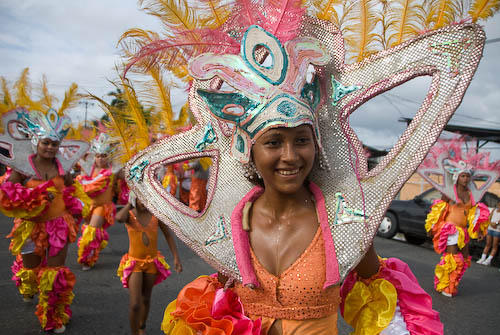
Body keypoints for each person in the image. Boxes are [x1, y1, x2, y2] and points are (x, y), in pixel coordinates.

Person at [121, 1, 498, 333]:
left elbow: (384, 312)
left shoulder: (346, 224)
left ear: (317, 144)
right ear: (249, 150)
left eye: (301, 139)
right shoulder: (232, 224)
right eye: (273, 142)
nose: (290, 155)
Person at [0, 108, 90, 333]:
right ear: (36, 142)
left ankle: (52, 316)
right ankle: (29, 285)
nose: (50, 147)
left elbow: (72, 189)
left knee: (55, 271)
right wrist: (36, 196)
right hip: (30, 228)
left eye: (54, 144)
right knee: (31, 270)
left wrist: (79, 207)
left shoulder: (63, 168)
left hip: (59, 225)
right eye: (46, 143)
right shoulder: (23, 169)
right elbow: (7, 195)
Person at [419, 137, 499, 297]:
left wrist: (479, 230)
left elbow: (475, 214)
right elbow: (438, 210)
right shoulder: (449, 193)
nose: (466, 179)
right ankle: (445, 286)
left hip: (463, 232)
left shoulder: (472, 194)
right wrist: (432, 228)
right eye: (463, 176)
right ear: (456, 177)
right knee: (453, 258)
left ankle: (448, 283)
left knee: (464, 259)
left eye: (468, 176)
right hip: (450, 230)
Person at [116, 192, 182, 335]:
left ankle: (141, 326)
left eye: (146, 199)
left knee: (146, 298)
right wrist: (129, 203)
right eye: (140, 199)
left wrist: (176, 258)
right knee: (135, 304)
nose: (143, 203)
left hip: (152, 262)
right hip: (135, 264)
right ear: (135, 199)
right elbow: (118, 218)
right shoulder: (130, 215)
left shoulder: (155, 216)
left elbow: (168, 236)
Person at [77, 132, 128, 270]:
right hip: (88, 206)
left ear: (109, 157)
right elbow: (80, 187)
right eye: (98, 156)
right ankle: (93, 249)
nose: (100, 159)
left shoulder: (114, 170)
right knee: (88, 229)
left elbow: (129, 177)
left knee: (92, 231)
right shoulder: (88, 169)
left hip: (103, 207)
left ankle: (87, 259)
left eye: (104, 156)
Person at [477, 201, 500, 266]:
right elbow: (489, 217)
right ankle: (482, 258)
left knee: (494, 246)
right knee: (488, 244)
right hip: (490, 229)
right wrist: (490, 223)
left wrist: (496, 224)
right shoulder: (494, 210)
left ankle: (488, 260)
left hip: (497, 230)